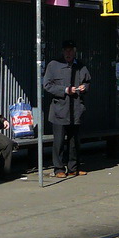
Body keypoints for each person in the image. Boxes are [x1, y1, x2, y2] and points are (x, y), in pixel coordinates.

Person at [42, 40, 92, 178]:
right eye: (66, 50)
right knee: (58, 141)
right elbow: (47, 85)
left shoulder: (81, 66)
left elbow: (87, 82)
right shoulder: (53, 65)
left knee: (74, 141)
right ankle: (58, 169)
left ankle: (73, 168)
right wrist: (64, 90)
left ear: (75, 51)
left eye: (71, 50)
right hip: (59, 110)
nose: (68, 53)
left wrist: (84, 88)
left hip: (76, 110)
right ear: (63, 51)